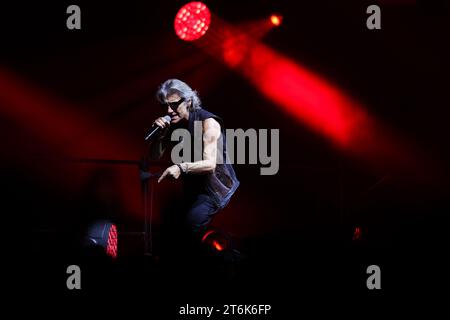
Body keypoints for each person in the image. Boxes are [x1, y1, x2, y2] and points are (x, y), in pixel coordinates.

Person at [149, 79, 239, 259]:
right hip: (193, 186)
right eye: (166, 106)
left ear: (188, 101)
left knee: (190, 227)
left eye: (174, 105)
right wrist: (160, 136)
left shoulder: (208, 123)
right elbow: (154, 156)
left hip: (214, 189)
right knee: (175, 229)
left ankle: (229, 260)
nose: (169, 111)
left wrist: (181, 167)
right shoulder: (174, 124)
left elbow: (209, 164)